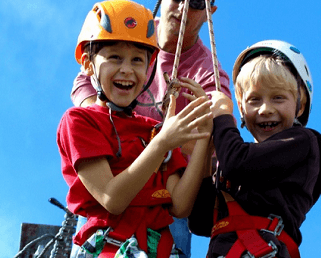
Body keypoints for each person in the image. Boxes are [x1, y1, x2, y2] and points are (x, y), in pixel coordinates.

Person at [70, 1, 231, 257]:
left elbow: (180, 205)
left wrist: (199, 135)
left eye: (197, 3)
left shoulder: (206, 73)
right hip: (107, 231)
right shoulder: (138, 31)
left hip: (158, 224)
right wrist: (112, 127)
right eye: (115, 58)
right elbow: (112, 199)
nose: (127, 69)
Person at [188, 40, 321, 258]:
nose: (266, 109)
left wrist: (222, 117)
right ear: (242, 111)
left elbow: (238, 163)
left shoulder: (303, 143)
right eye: (254, 100)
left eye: (278, 98)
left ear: (300, 105)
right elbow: (200, 221)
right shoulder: (236, 161)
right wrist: (205, 150)